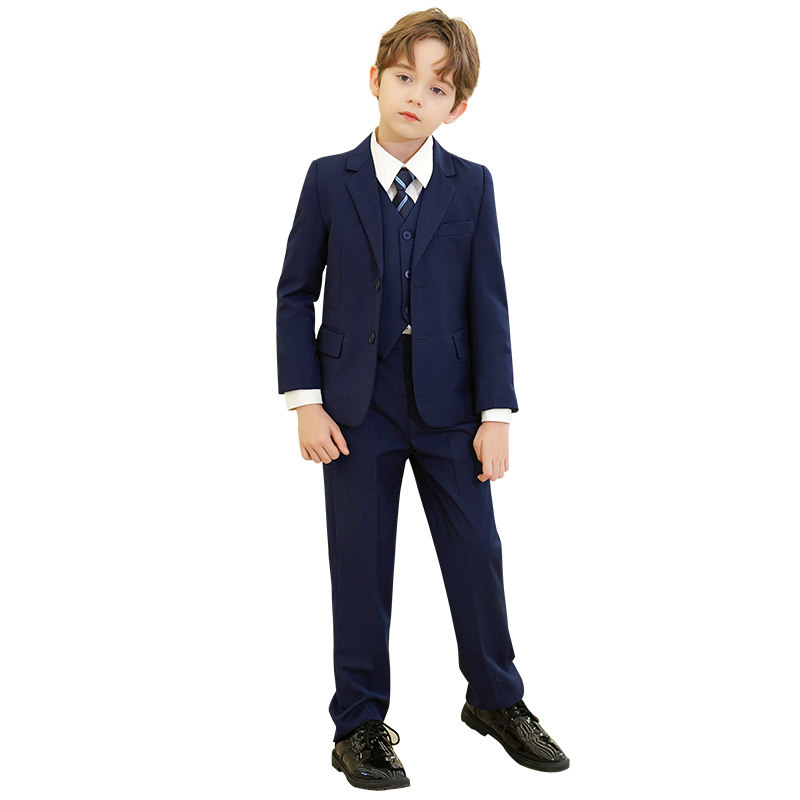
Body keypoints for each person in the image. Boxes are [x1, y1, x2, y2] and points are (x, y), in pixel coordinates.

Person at [276, 8, 569, 790]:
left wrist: (496, 415)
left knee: (477, 554)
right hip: (353, 407)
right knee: (360, 563)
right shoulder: (328, 179)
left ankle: (496, 699)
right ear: (375, 80)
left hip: (453, 406)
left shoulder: (473, 185)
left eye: (436, 88)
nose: (416, 96)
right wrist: (305, 400)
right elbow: (295, 292)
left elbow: (489, 302)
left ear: (457, 106)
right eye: (404, 77)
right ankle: (359, 725)